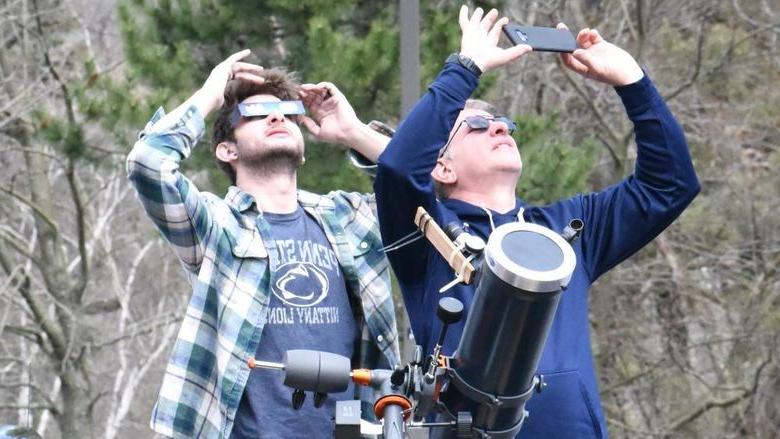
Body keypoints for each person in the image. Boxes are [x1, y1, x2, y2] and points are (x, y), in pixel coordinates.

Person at [374, 6, 699, 438]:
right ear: (442, 168)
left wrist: (632, 81)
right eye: (476, 124)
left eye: (504, 123)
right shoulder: (425, 233)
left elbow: (670, 185)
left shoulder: (569, 229)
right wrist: (466, 68)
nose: (500, 129)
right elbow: (398, 169)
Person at [127, 50, 400, 438]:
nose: (277, 117)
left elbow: (425, 193)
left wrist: (353, 132)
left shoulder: (347, 218)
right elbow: (147, 164)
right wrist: (211, 95)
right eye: (256, 114)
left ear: (304, 146)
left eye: (287, 112)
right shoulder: (216, 225)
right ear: (228, 150)